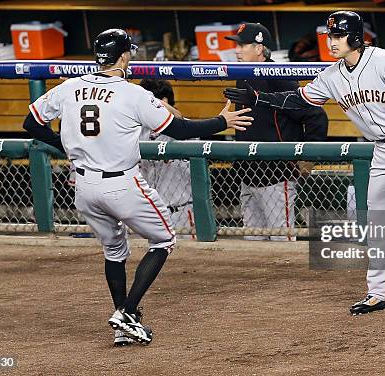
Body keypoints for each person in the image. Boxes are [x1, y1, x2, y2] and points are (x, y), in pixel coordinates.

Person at [224, 11, 385, 314]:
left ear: (354, 37)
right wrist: (259, 98)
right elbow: (299, 100)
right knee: (377, 223)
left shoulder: (383, 60)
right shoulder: (332, 75)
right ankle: (380, 293)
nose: (331, 42)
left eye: (337, 36)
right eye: (329, 36)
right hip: (384, 150)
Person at [23, 28, 253, 346]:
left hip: (84, 187)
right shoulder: (132, 94)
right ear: (124, 55)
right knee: (163, 239)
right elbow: (181, 130)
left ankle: (123, 326)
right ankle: (127, 312)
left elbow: (31, 123)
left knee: (114, 250)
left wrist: (63, 146)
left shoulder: (69, 87)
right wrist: (221, 122)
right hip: (122, 184)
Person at [225, 22, 328, 241]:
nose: (236, 50)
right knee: (254, 244)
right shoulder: (243, 75)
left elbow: (315, 115)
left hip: (275, 176)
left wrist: (309, 157)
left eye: (242, 46)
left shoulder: (279, 76)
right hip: (247, 175)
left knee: (283, 243)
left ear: (259, 48)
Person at [139, 79, 196, 239]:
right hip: (147, 213)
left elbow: (178, 119)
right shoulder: (138, 131)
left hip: (180, 213)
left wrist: (156, 103)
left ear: (162, 102)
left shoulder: (186, 128)